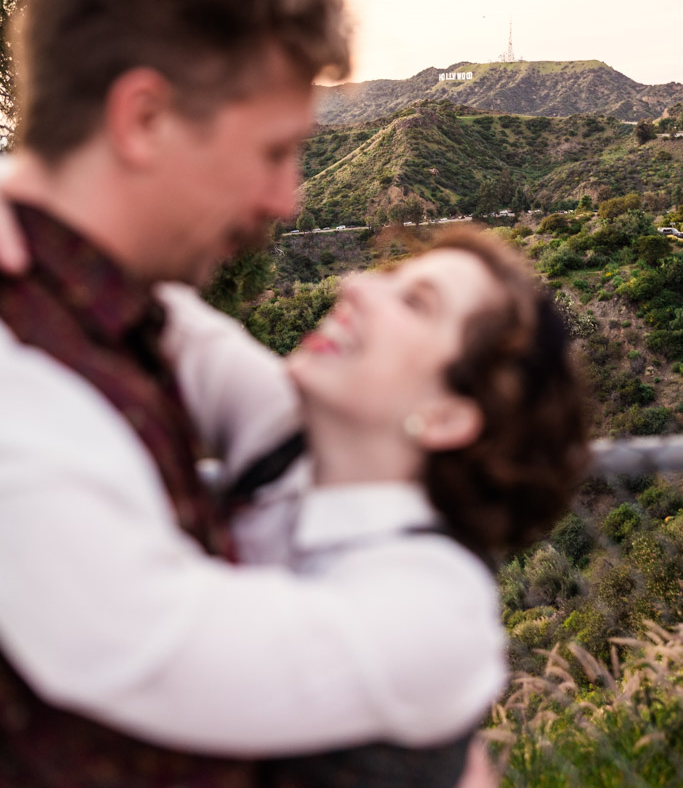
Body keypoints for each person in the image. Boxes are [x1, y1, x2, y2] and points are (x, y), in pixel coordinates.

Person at [0, 0, 511, 787]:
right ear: (144, 119)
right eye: (275, 151)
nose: (286, 200)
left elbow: (266, 413)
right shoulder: (25, 405)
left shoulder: (120, 316)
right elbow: (178, 648)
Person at [160, 226, 591, 787]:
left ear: (446, 416)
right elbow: (160, 315)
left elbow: (151, 645)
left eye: (415, 303)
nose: (356, 284)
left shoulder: (432, 611)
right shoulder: (291, 439)